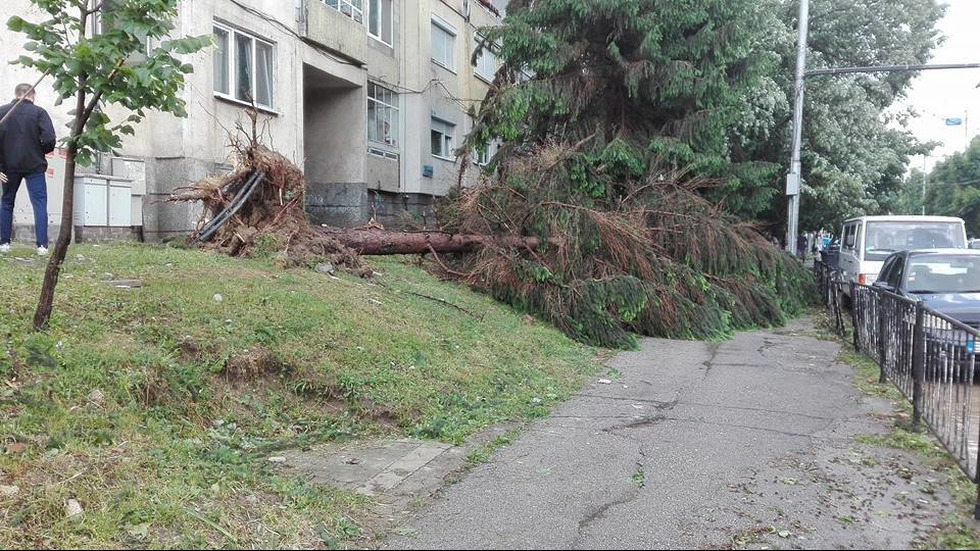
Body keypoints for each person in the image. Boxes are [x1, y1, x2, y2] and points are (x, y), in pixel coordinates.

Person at [0, 83, 56, 255]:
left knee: (7, 202)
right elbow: (49, 140)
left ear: (17, 94)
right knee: (39, 204)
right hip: (34, 166)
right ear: (33, 95)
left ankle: (4, 243)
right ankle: (42, 246)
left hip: (8, 167)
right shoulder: (39, 113)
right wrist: (39, 150)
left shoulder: (2, 112)